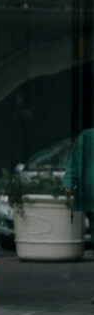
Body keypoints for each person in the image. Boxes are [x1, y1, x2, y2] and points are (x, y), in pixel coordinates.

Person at [63, 127, 94, 302]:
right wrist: (69, 180)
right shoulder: (87, 137)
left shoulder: (86, 137)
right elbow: (75, 160)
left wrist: (69, 180)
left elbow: (74, 160)